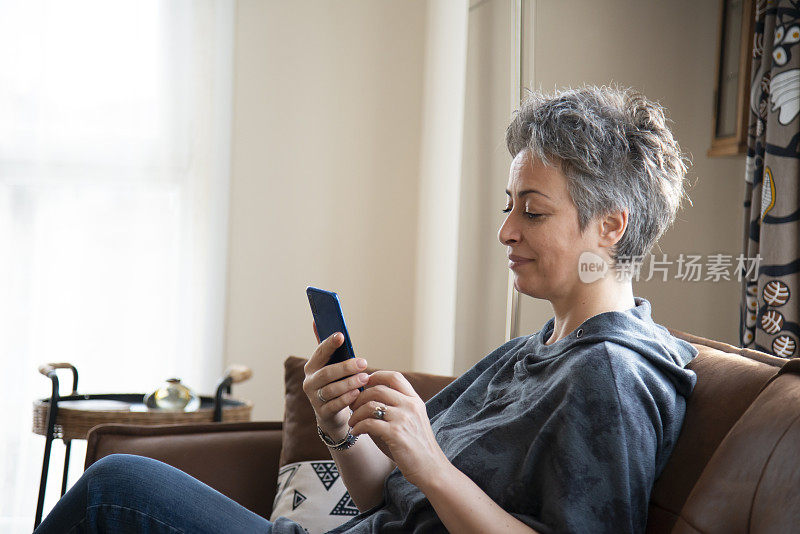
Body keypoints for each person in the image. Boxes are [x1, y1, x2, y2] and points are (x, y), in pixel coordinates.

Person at [35, 84, 697, 534]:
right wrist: (339, 428)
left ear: (611, 227)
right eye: (508, 204)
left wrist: (432, 463)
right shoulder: (539, 350)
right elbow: (385, 493)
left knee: (114, 489)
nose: (506, 231)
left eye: (533, 211)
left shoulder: (609, 374)